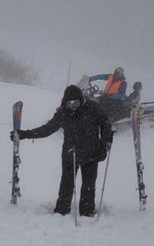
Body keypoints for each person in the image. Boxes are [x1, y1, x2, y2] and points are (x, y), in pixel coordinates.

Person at [12, 84, 113, 217]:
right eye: (70, 103)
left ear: (81, 100)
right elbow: (47, 129)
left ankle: (87, 212)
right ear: (65, 102)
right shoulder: (62, 114)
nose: (73, 106)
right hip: (70, 154)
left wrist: (104, 144)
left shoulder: (93, 108)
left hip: (91, 153)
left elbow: (106, 124)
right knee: (66, 184)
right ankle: (62, 211)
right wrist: (26, 134)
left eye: (76, 103)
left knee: (89, 185)